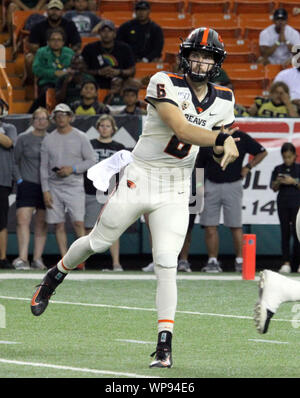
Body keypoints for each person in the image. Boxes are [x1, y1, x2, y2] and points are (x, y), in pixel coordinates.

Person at [30, 27, 239, 368]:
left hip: (175, 187)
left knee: (167, 263)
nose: (200, 62)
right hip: (140, 177)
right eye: (196, 55)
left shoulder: (226, 99)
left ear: (217, 62)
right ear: (185, 56)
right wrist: (221, 139)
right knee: (97, 241)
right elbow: (183, 129)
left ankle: (164, 344)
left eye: (208, 57)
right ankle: (55, 274)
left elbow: (217, 148)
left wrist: (225, 149)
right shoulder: (164, 81)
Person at [198, 130, 267, 273]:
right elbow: (199, 164)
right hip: (211, 183)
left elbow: (262, 152)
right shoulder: (209, 135)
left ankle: (240, 261)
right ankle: (212, 261)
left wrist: (248, 167)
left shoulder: (240, 136)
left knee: (235, 225)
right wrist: (199, 187)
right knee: (210, 225)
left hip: (233, 184)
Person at [39, 103, 95, 270]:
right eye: (58, 115)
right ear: (54, 118)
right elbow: (43, 167)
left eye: (64, 114)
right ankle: (65, 261)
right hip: (54, 186)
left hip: (75, 185)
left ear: (70, 117)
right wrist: (45, 190)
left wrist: (73, 169)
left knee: (78, 222)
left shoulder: (81, 136)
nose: (61, 117)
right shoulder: (48, 139)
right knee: (58, 224)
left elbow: (91, 160)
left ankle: (81, 260)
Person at [84, 115, 125, 271]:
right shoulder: (90, 145)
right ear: (97, 127)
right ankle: (83, 263)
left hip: (111, 191)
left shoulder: (119, 147)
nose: (104, 128)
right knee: (89, 227)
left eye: (108, 126)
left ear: (113, 129)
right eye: (101, 125)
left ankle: (116, 264)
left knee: (112, 227)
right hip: (92, 191)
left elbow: (124, 171)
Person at [12, 108, 50, 270]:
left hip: (46, 186)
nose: (41, 121)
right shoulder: (23, 138)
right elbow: (14, 161)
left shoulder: (52, 140)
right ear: (32, 120)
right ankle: (22, 258)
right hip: (27, 184)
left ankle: (37, 259)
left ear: (49, 121)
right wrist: (20, 180)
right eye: (38, 118)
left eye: (44, 118)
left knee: (41, 223)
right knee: (22, 220)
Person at [25, 0, 81, 84]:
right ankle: (33, 84)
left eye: (57, 10)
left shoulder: (69, 25)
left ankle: (74, 83)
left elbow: (77, 44)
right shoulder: (38, 26)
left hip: (64, 56)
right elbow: (33, 46)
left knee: (79, 57)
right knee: (29, 57)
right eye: (52, 9)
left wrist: (65, 54)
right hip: (44, 56)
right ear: (47, 11)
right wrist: (49, 54)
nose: (54, 12)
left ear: (62, 12)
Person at [270, 143, 300, 274]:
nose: (287, 160)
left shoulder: (299, 168)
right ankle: (286, 263)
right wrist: (278, 181)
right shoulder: (278, 169)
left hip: (297, 204)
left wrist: (293, 182)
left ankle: (298, 263)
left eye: (289, 157)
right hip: (283, 203)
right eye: (285, 157)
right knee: (285, 232)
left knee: (298, 233)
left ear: (294, 155)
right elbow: (273, 187)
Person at [81, 19, 136, 90]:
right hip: (94, 82)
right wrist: (98, 72)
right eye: (103, 31)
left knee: (134, 84)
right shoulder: (89, 48)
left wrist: (118, 72)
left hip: (120, 82)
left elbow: (132, 70)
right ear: (99, 33)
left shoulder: (125, 48)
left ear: (114, 34)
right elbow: (82, 69)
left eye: (109, 31)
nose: (106, 34)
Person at [30, 28, 75, 113]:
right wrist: (54, 73)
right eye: (53, 39)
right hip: (48, 82)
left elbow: (75, 67)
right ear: (48, 41)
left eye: (59, 40)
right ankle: (33, 112)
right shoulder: (41, 52)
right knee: (47, 92)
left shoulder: (70, 52)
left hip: (66, 83)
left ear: (63, 42)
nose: (56, 42)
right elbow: (36, 69)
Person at [0, 99, 17, 270]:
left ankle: (2, 258)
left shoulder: (9, 128)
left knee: (1, 221)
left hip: (2, 180)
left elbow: (8, 142)